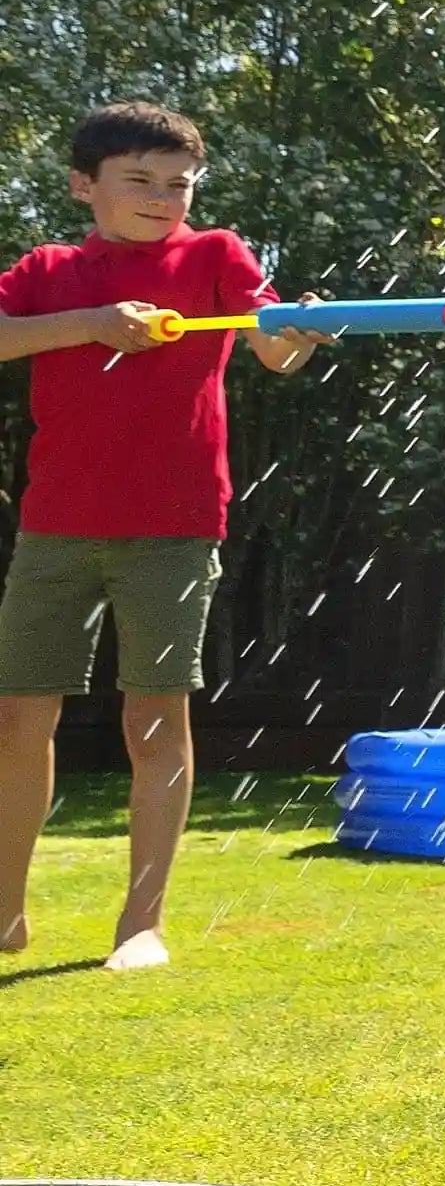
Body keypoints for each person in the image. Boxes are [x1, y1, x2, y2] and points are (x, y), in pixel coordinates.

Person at [0, 104, 326, 971]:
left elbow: (274, 349)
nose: (162, 197)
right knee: (16, 718)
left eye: (177, 183)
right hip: (55, 527)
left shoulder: (215, 255)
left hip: (175, 527)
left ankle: (140, 924)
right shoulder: (47, 269)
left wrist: (297, 328)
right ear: (84, 185)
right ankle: (4, 915)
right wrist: (97, 321)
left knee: (154, 718)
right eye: (139, 180)